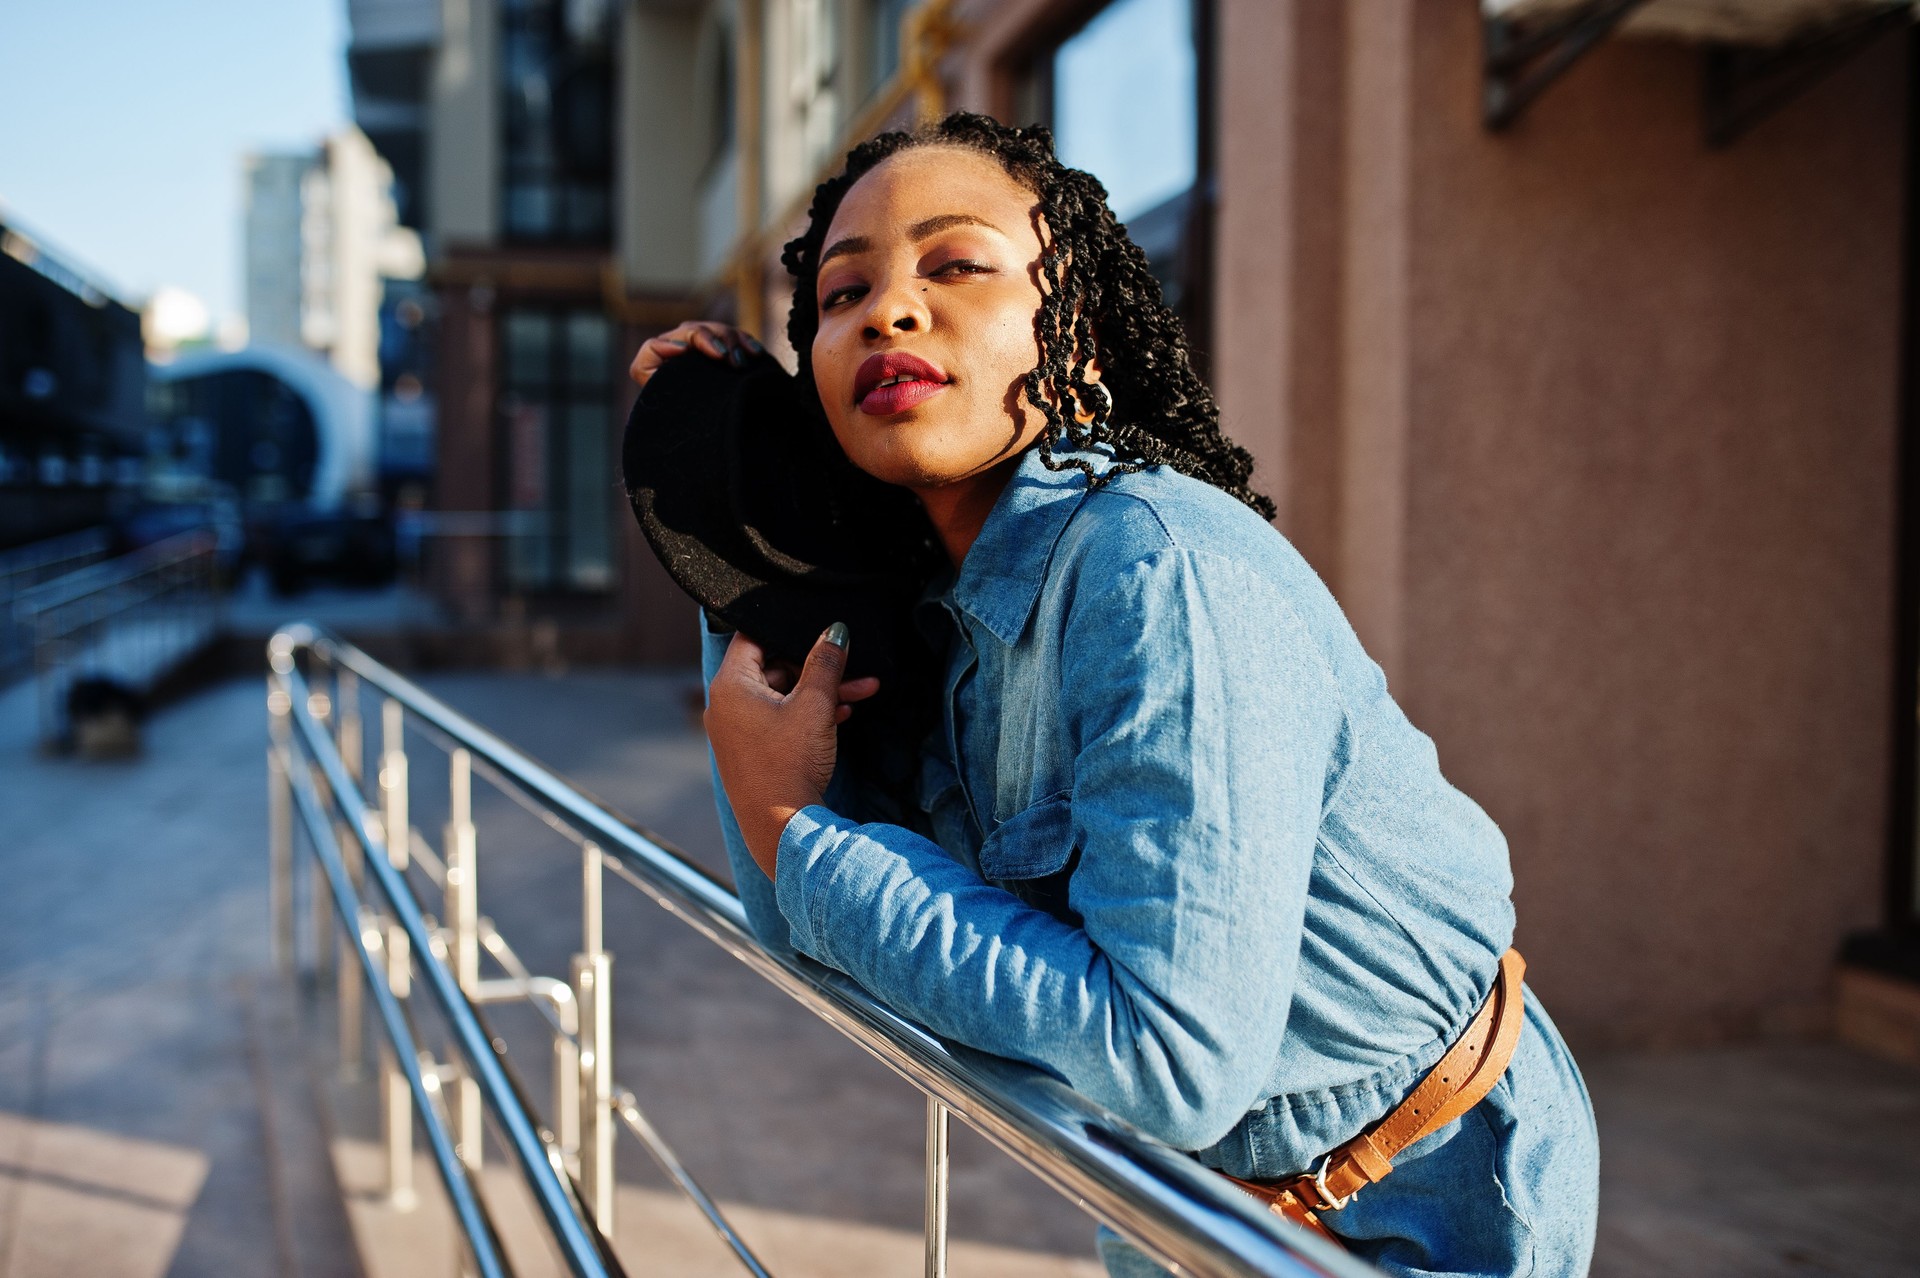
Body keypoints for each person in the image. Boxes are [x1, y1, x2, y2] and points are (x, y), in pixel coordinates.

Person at [628, 113, 1599, 1278]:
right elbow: (803, 930)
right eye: (842, 293)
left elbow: (1168, 1060)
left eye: (956, 265)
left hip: (1422, 1205)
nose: (888, 309)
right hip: (1185, 1192)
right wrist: (734, 521)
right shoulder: (934, 601)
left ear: (1077, 330)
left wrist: (790, 824)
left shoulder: (1160, 574)